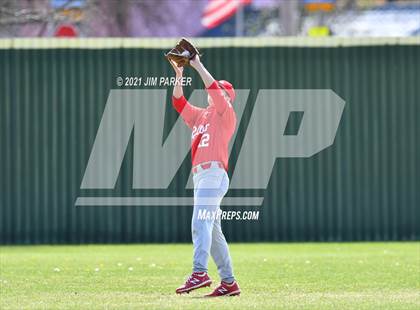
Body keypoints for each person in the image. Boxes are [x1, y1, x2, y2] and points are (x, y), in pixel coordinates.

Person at [168, 55, 240, 297]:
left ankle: (199, 273)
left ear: (227, 97)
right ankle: (229, 282)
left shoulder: (225, 114)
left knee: (200, 222)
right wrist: (179, 76)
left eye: (220, 89)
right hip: (202, 175)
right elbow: (178, 103)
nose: (214, 90)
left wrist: (197, 64)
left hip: (213, 172)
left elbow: (217, 92)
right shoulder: (201, 116)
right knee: (213, 231)